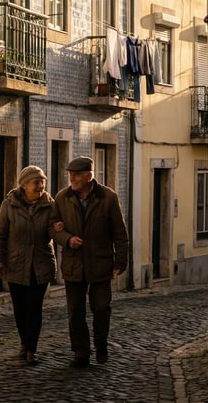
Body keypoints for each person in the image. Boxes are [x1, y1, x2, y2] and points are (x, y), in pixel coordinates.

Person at [50, 155, 129, 368]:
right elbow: (53, 227)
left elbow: (119, 233)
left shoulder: (108, 197)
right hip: (74, 264)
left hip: (100, 263)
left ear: (89, 177)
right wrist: (67, 239)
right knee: (75, 312)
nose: (72, 179)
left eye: (76, 175)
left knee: (101, 308)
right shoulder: (62, 198)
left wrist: (120, 261)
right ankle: (81, 352)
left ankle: (101, 345)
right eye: (70, 175)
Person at [0, 165, 58, 365]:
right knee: (20, 308)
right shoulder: (9, 205)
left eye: (42, 182)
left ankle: (31, 349)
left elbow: (54, 232)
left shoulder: (50, 205)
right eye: (36, 182)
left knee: (34, 308)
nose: (40, 186)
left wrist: (60, 228)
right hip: (16, 264)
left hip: (40, 265)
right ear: (24, 185)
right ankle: (23, 343)